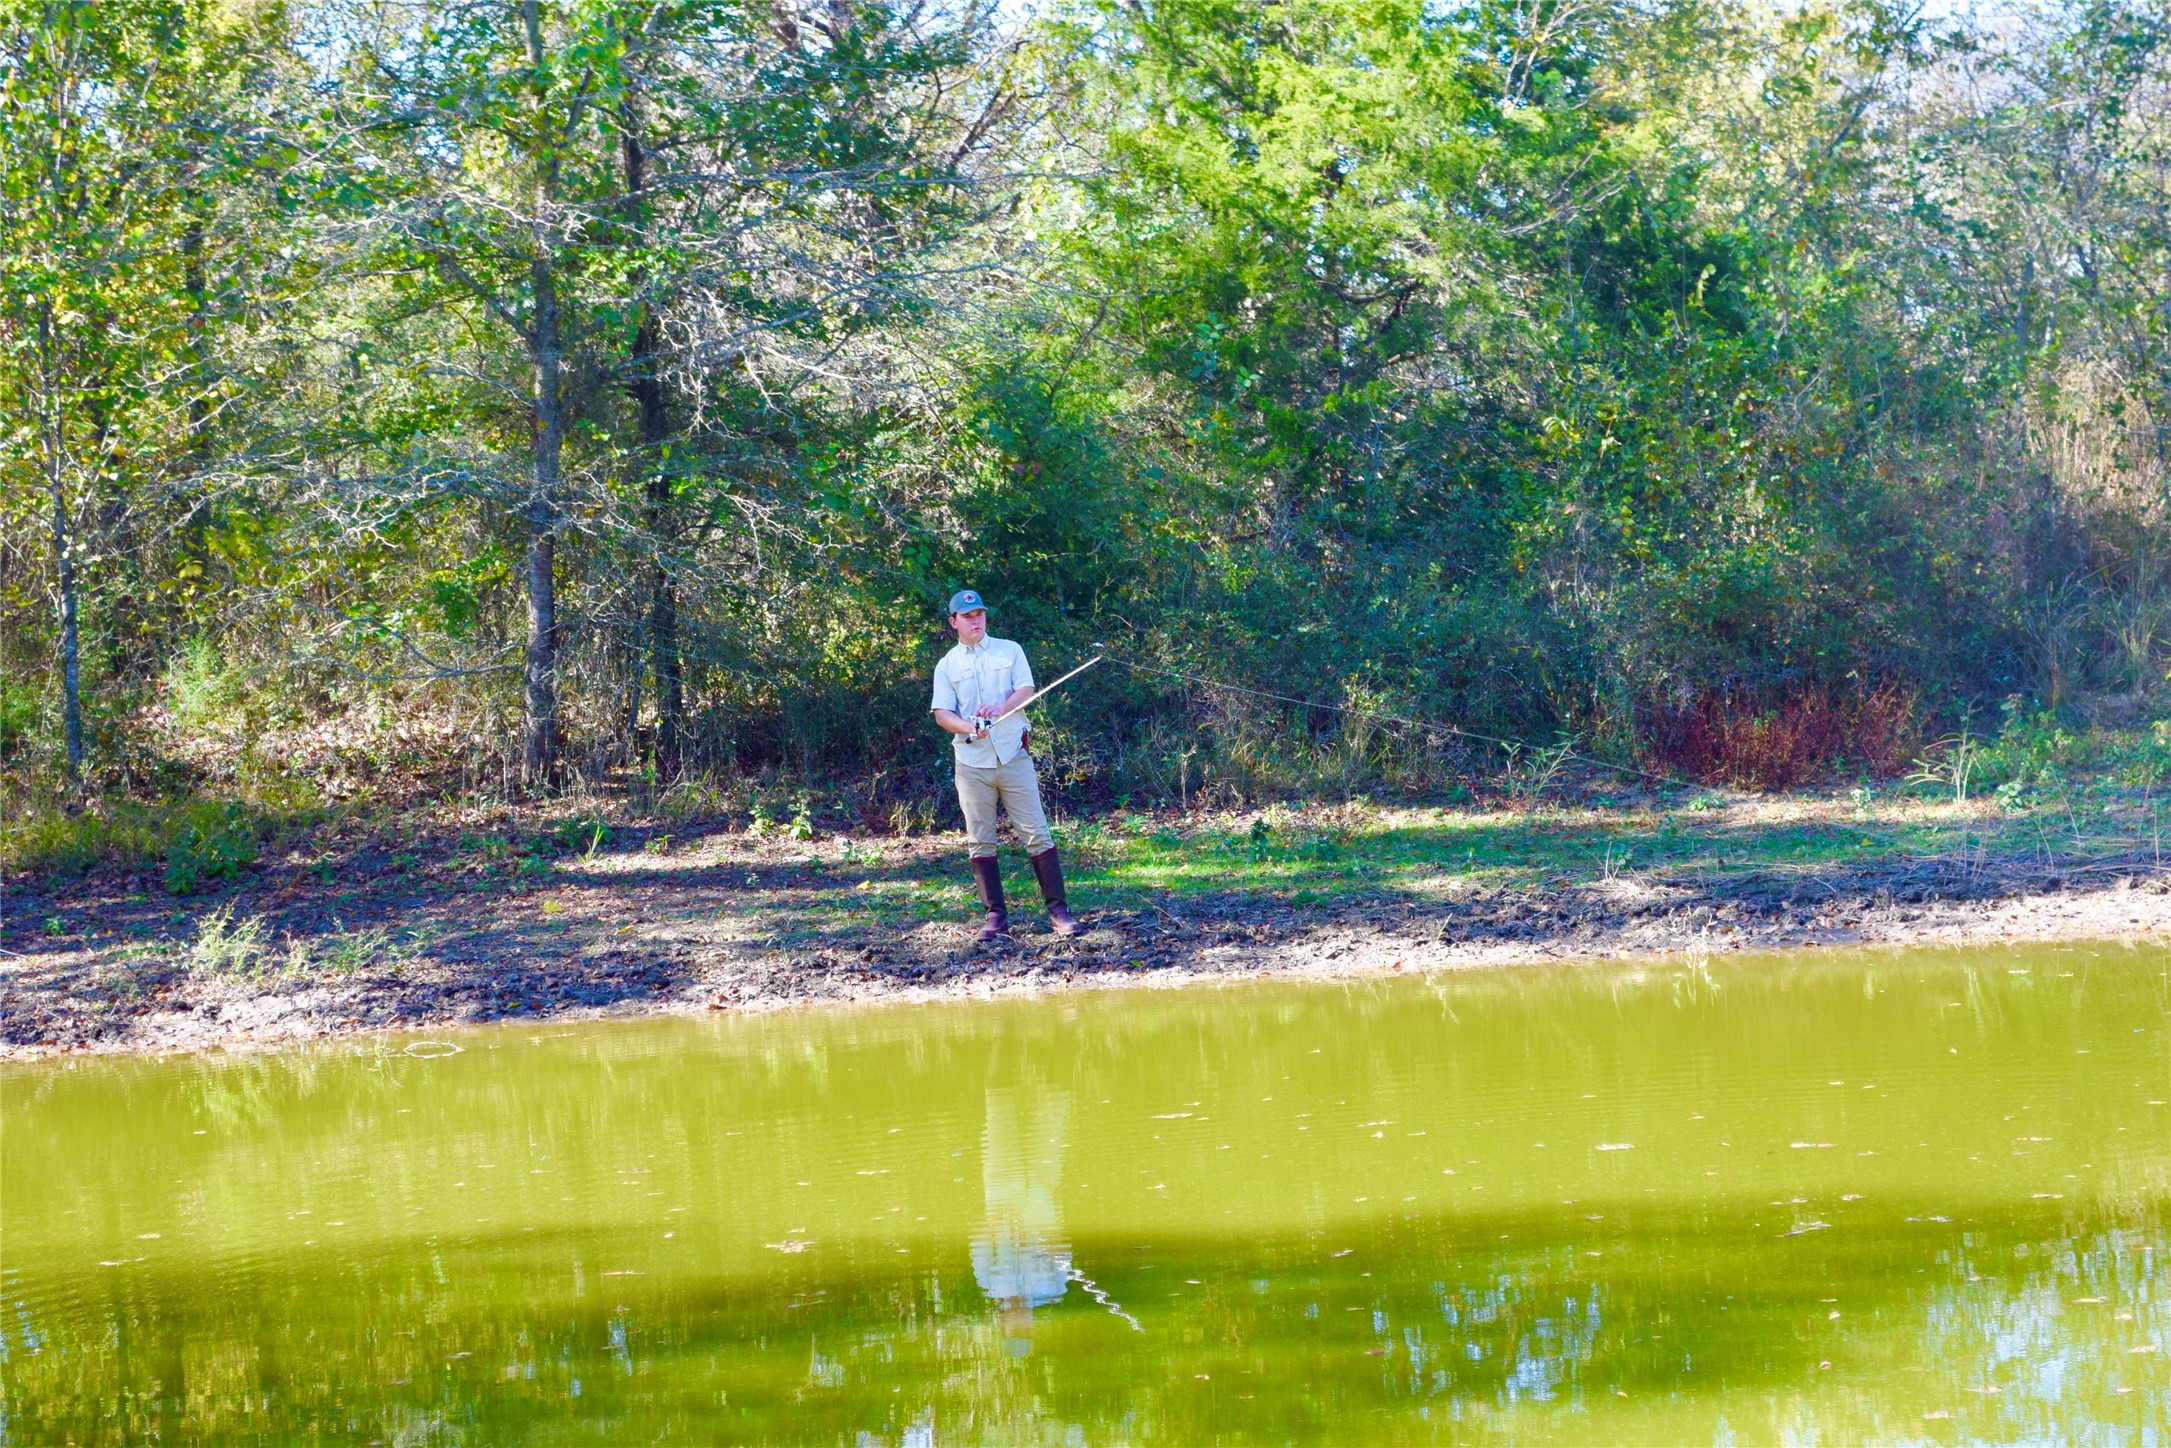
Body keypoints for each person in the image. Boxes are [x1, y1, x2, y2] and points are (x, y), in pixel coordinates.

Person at [929, 590, 1081, 939]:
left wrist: (999, 709)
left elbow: (1025, 689)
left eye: (979, 613)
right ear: (954, 622)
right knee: (980, 840)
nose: (975, 620)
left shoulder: (1009, 650)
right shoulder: (947, 665)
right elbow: (942, 714)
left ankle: (1059, 912)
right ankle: (995, 916)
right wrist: (970, 728)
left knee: (1036, 832)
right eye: (967, 616)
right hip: (971, 763)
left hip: (1014, 756)